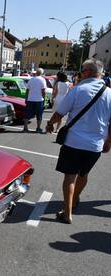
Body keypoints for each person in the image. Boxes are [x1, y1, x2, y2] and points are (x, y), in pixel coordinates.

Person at [46, 59, 111, 224]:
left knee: (70, 177)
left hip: (74, 142)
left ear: (88, 72)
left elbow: (60, 113)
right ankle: (75, 200)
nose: (80, 74)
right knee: (84, 174)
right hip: (95, 145)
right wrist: (108, 142)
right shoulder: (109, 93)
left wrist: (49, 124)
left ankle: (67, 213)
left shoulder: (78, 90)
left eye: (82, 71)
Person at [23, 68, 47, 133]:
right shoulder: (42, 80)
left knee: (27, 114)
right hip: (39, 100)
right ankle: (38, 128)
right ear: (42, 73)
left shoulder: (31, 79)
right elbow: (43, 91)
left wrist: (26, 98)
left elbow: (27, 90)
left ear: (36, 73)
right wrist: (44, 99)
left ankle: (25, 127)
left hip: (30, 99)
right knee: (39, 115)